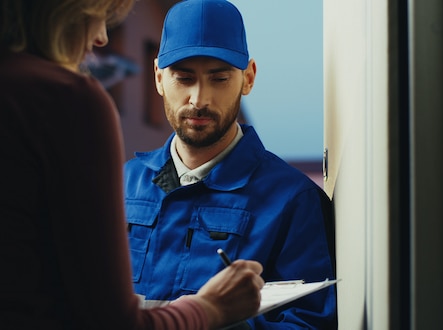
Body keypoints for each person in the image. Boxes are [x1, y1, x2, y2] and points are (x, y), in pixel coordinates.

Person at [0, 0, 266, 329]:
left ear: (247, 78)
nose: (101, 38)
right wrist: (211, 308)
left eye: (218, 78)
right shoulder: (64, 101)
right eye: (99, 14)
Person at [124, 0, 338, 328]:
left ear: (248, 78)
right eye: (183, 78)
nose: (199, 99)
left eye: (219, 79)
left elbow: (309, 322)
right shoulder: (123, 186)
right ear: (158, 77)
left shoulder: (293, 201)